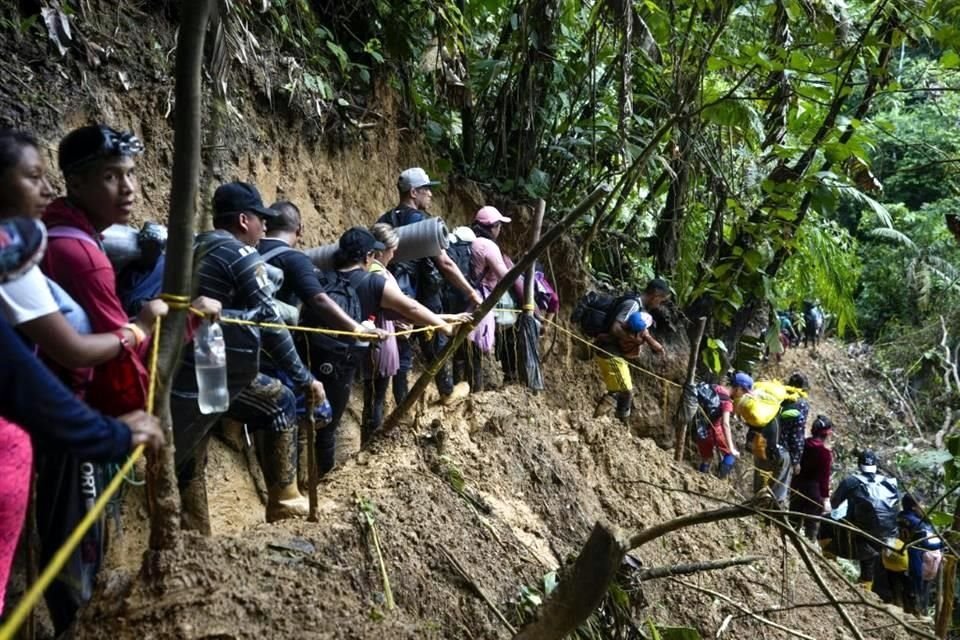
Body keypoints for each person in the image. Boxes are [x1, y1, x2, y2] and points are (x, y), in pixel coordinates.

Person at [0, 215, 165, 616]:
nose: (127, 186)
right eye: (111, 175)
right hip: (72, 424)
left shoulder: (46, 246)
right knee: (75, 544)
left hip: (66, 425)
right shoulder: (77, 255)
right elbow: (62, 356)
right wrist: (139, 331)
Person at [171, 181, 324, 532]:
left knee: (191, 450)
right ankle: (285, 499)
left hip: (179, 368)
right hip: (215, 370)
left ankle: (195, 531)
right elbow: (270, 320)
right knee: (280, 401)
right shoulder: (238, 254)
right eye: (260, 219)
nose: (265, 227)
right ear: (243, 220)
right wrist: (304, 379)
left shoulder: (193, 247)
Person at [300, 227, 469, 467]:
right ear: (368, 256)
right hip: (341, 362)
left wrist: (447, 317)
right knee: (328, 429)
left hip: (309, 353)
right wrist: (443, 326)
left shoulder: (325, 276)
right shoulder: (373, 282)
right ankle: (324, 483)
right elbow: (408, 308)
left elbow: (401, 313)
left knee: (305, 421)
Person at [378, 167, 481, 405]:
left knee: (404, 349)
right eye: (426, 190)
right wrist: (471, 293)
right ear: (413, 192)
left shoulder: (384, 219)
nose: (431, 195)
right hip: (417, 294)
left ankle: (405, 404)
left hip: (390, 291)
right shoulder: (422, 223)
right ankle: (430, 397)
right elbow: (444, 263)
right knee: (430, 343)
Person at [592, 279, 669, 423]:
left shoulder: (639, 308)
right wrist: (635, 341)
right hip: (610, 352)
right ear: (655, 294)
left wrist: (654, 346)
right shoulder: (633, 305)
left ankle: (615, 425)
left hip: (615, 353)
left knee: (622, 391)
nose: (659, 304)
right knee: (624, 390)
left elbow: (644, 333)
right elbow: (615, 328)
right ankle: (613, 424)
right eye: (660, 300)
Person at [830, 450, 901, 590]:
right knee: (871, 556)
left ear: (858, 464)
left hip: (860, 531)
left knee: (829, 525)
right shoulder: (889, 482)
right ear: (876, 465)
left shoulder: (851, 481)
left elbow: (834, 504)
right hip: (889, 533)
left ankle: (829, 564)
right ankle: (867, 585)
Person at [730, 372, 792, 504]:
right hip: (768, 448)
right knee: (773, 484)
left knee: (764, 480)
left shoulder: (750, 406)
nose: (732, 390)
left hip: (766, 448)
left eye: (734, 387)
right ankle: (767, 507)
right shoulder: (756, 401)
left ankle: (764, 506)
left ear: (740, 389)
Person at [896, 494, 943, 614]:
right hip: (914, 558)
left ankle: (905, 607)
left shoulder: (899, 516)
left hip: (898, 555)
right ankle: (917, 613)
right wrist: (942, 544)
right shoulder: (918, 523)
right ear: (914, 507)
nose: (923, 507)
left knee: (902, 586)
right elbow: (926, 545)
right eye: (920, 504)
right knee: (917, 588)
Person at [790, 415, 834, 540]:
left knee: (793, 519)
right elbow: (824, 479)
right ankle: (809, 547)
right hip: (814, 493)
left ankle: (789, 542)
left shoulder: (802, 444)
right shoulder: (825, 453)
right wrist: (826, 499)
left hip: (797, 487)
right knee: (812, 526)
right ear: (827, 434)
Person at [692, 382, 739, 477]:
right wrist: (731, 448)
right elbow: (725, 424)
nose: (742, 395)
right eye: (744, 391)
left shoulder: (715, 387)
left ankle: (701, 477)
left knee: (707, 458)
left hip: (700, 428)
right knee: (731, 454)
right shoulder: (727, 402)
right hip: (714, 431)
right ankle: (719, 481)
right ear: (738, 389)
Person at [780, 372, 810, 477]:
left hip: (766, 445)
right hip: (783, 452)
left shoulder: (780, 396)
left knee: (760, 486)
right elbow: (797, 434)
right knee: (777, 491)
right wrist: (796, 460)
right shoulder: (801, 404)